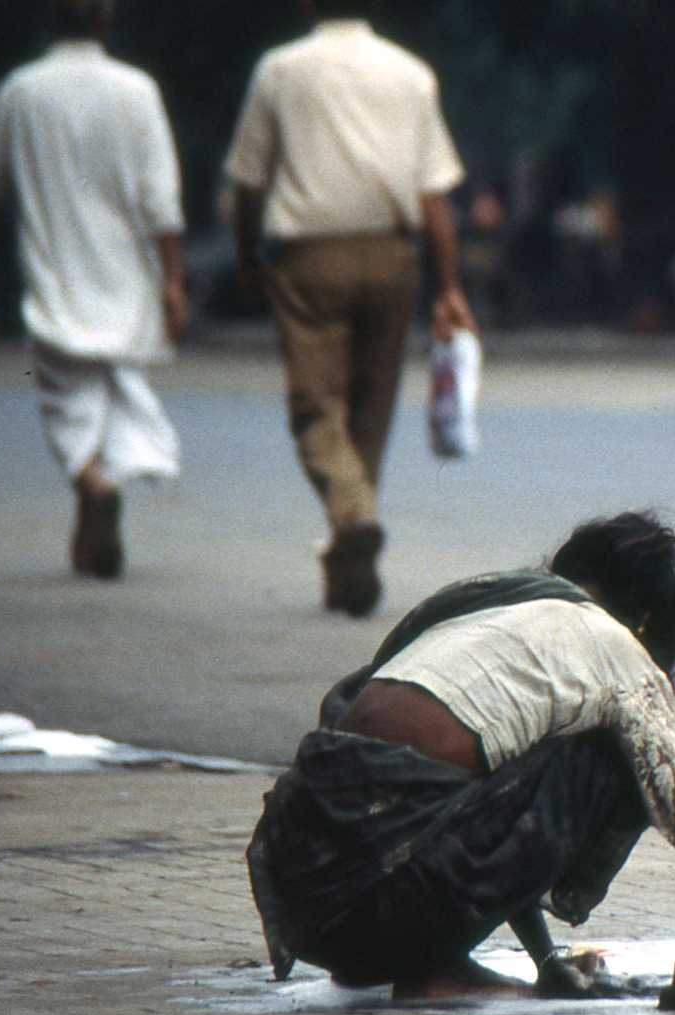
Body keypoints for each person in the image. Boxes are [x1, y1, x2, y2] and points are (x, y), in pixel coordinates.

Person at [246, 511, 675, 1000]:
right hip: (387, 903)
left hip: (308, 896)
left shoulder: (485, 605)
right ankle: (438, 972)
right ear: (645, 620)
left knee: (548, 742)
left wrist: (548, 962)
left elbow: (480, 793)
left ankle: (425, 956)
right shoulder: (615, 650)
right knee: (620, 755)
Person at [224, 0, 474, 617]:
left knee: (316, 405)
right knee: (372, 402)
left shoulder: (280, 70)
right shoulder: (410, 73)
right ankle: (348, 552)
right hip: (393, 256)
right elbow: (434, 195)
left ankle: (354, 516)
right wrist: (450, 284)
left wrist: (248, 253)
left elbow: (248, 181)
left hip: (309, 258)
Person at [0, 0, 188, 579]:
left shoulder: (22, 90)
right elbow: (162, 198)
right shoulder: (137, 90)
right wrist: (173, 280)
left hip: (56, 272)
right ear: (107, 22)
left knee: (66, 399)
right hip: (128, 274)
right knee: (115, 391)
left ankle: (92, 480)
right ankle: (99, 497)